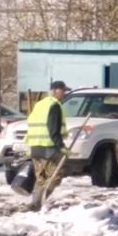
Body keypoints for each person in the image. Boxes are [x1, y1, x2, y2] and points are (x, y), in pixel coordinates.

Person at [24, 81, 71, 211]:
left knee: (42, 177)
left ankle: (35, 203)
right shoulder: (54, 106)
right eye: (63, 91)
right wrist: (61, 147)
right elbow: (53, 129)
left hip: (35, 147)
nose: (64, 94)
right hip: (48, 148)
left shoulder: (39, 104)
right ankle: (40, 201)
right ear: (56, 91)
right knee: (55, 176)